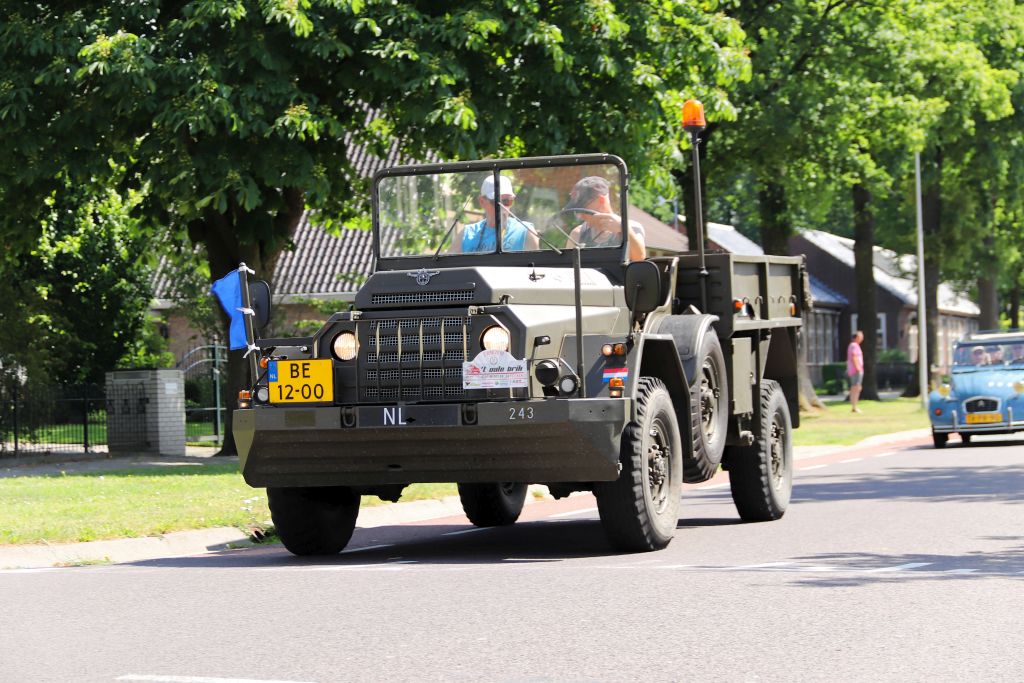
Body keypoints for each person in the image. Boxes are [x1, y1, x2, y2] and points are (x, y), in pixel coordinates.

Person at [562, 176, 647, 262]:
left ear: (601, 200)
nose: (579, 215)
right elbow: (568, 268)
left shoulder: (631, 227)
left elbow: (639, 258)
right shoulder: (578, 234)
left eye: (583, 208)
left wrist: (624, 229)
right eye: (577, 210)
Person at [454, 175, 538, 253]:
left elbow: (535, 267)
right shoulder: (466, 235)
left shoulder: (525, 232)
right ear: (482, 201)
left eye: (506, 201)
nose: (502, 207)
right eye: (496, 202)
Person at [847, 330, 864, 413]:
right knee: (856, 388)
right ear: (857, 337)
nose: (862, 338)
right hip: (856, 370)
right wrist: (858, 368)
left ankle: (854, 406)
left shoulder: (854, 345)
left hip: (855, 370)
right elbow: (854, 357)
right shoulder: (854, 345)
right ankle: (854, 406)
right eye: (861, 336)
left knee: (856, 388)